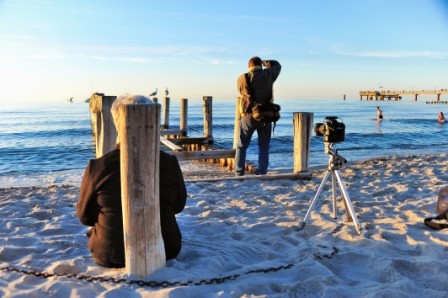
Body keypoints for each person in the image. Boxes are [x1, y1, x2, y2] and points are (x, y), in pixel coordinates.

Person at [76, 95, 187, 268]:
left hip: (110, 252)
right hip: (166, 248)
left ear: (116, 121)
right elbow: (178, 206)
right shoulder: (170, 163)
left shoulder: (98, 166)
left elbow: (85, 217)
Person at [234, 56, 281, 176]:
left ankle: (239, 172)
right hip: (265, 115)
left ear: (249, 66)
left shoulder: (241, 78)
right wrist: (267, 63)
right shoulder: (268, 74)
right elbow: (278, 66)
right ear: (260, 65)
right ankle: (262, 171)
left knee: (241, 146)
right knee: (263, 146)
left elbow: (241, 92)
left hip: (248, 115)